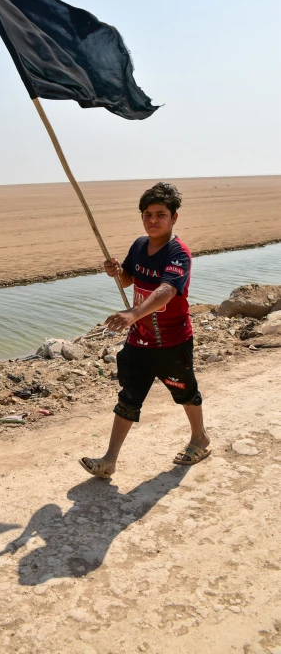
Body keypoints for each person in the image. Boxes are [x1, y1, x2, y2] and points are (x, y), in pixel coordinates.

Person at [79, 182, 210, 479]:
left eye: (160, 214)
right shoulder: (139, 245)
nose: (153, 220)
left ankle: (200, 439)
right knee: (128, 397)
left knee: (185, 392)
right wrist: (115, 271)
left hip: (172, 341)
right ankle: (109, 460)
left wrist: (133, 313)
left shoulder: (178, 253)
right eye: (147, 214)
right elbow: (127, 279)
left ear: (174, 218)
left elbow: (167, 290)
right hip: (140, 339)